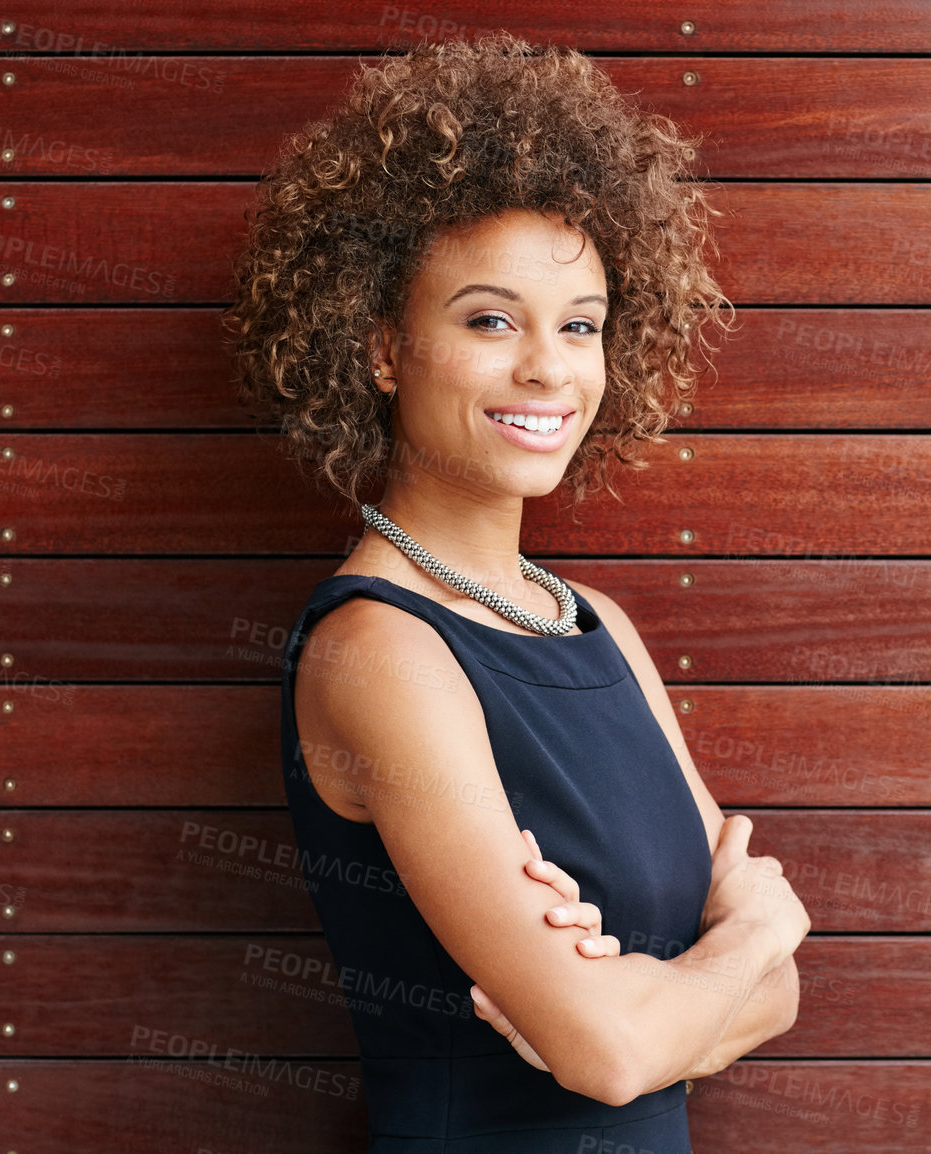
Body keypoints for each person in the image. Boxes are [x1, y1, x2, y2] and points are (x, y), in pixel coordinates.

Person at [224, 32, 811, 1153]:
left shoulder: (597, 625)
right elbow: (613, 1052)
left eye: (579, 324)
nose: (549, 367)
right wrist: (743, 938)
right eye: (491, 319)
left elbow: (773, 1003)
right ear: (386, 347)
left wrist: (650, 1001)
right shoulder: (377, 648)